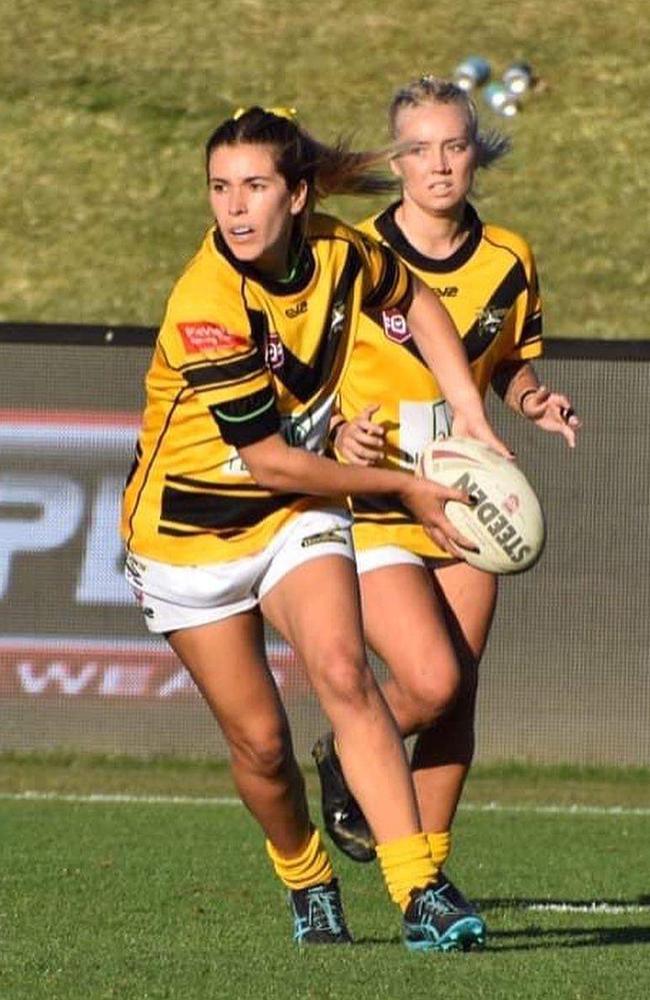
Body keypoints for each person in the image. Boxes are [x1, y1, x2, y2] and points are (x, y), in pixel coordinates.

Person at [121, 105, 509, 950]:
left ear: (298, 195)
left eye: (255, 186)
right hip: (190, 535)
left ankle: (419, 894)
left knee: (343, 670)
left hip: (294, 516)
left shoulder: (340, 249)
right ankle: (305, 874)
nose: (234, 207)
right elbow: (270, 462)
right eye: (220, 188)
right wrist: (402, 486)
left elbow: (413, 299)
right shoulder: (207, 302)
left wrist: (472, 416)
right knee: (262, 745)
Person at [311, 77, 581, 917]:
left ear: (476, 153)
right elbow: (304, 384)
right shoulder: (350, 256)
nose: (438, 164)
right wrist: (336, 437)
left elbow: (506, 361)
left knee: (461, 690)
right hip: (383, 496)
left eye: (454, 145)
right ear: (394, 161)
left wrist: (534, 400)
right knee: (427, 682)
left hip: (466, 498)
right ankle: (343, 756)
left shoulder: (508, 257)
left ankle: (424, 885)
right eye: (418, 148)